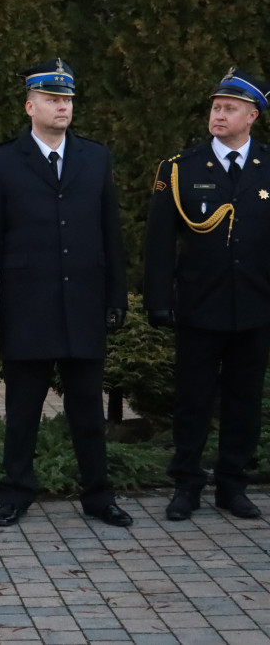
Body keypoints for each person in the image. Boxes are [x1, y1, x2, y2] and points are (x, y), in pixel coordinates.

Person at [0, 58, 133, 528]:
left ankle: (98, 496)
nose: (63, 106)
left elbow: (110, 233)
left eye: (67, 99)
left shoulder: (95, 158)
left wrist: (116, 295)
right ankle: (16, 493)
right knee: (22, 412)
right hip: (27, 305)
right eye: (52, 99)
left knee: (88, 412)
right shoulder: (2, 161)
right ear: (30, 106)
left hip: (83, 303)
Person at [145, 68, 270, 521]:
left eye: (230, 109)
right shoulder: (181, 168)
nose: (219, 115)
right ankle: (187, 484)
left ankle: (233, 485)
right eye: (216, 107)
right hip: (199, 305)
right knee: (192, 400)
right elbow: (159, 240)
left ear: (252, 116)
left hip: (255, 306)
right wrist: (158, 299)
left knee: (244, 401)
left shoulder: (267, 165)